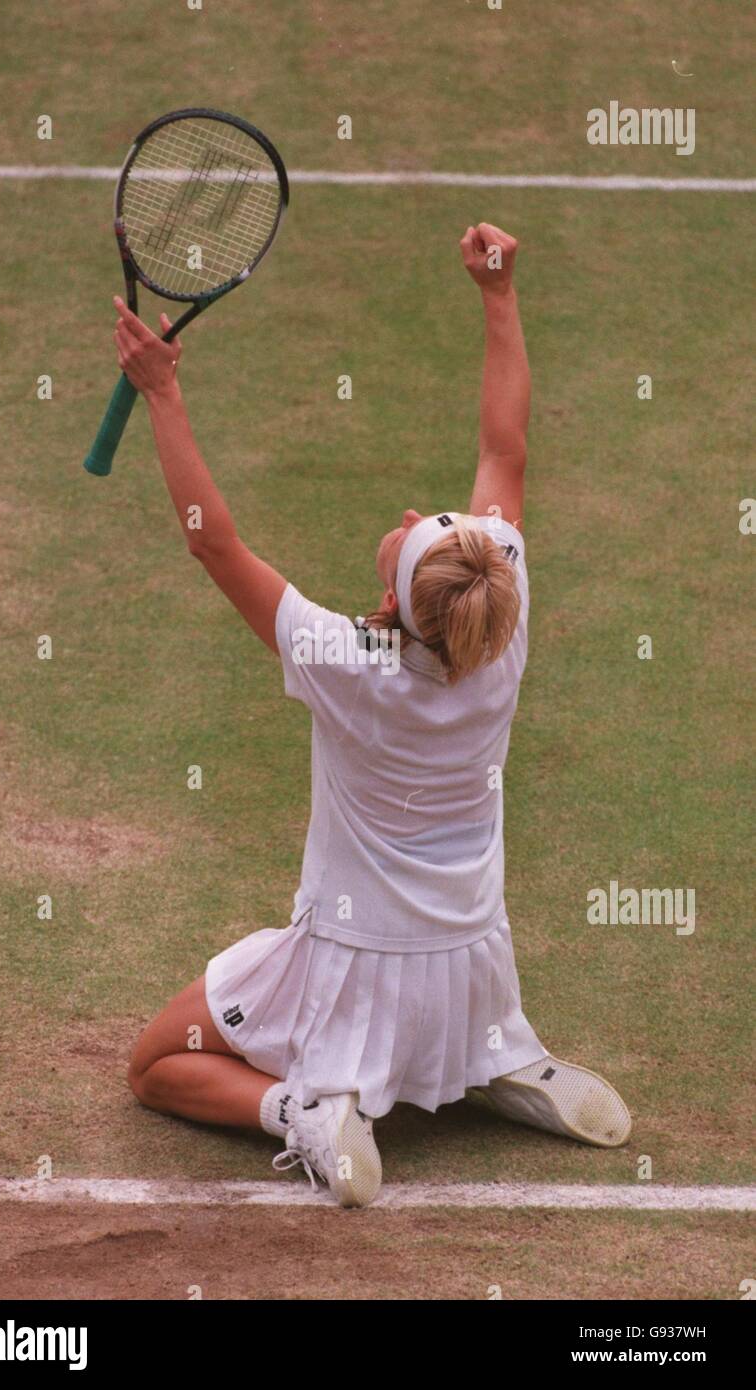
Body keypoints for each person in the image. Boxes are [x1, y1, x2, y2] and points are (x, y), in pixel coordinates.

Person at [121, 222, 631, 1209]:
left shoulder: (342, 660)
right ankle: (496, 1064)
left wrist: (164, 392)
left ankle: (304, 1111)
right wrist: (497, 295)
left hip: (348, 971)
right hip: (473, 965)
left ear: (394, 602)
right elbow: (504, 447)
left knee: (154, 1061)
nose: (409, 510)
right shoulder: (498, 615)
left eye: (412, 530)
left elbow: (213, 544)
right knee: (467, 1024)